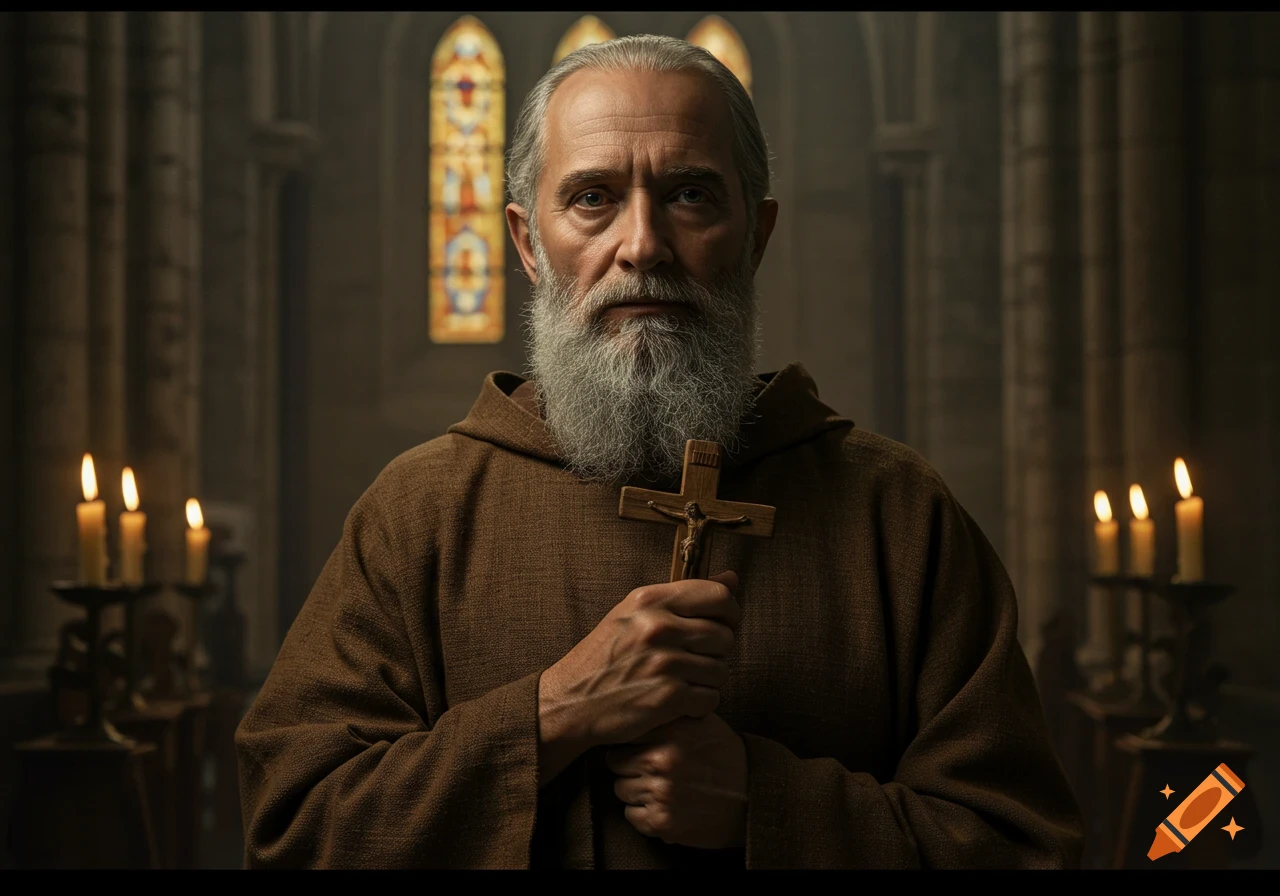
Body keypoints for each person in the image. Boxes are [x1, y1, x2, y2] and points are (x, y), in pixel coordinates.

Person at [235, 34, 1084, 869]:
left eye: (689, 195)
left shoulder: (897, 515)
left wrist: (767, 806)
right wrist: (553, 713)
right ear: (529, 244)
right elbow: (296, 826)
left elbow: (1024, 845)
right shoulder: (418, 512)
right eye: (594, 197)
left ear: (756, 234)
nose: (642, 245)